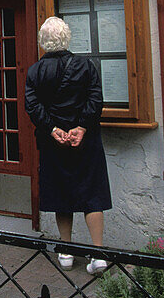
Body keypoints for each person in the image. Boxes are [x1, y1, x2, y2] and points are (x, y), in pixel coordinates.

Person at [24, 16, 111, 274]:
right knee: (92, 194)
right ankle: (98, 255)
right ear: (66, 38)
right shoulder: (86, 66)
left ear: (43, 42)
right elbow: (96, 99)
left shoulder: (35, 71)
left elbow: (32, 106)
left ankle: (66, 252)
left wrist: (52, 129)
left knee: (62, 195)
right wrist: (81, 127)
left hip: (54, 144)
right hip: (85, 142)